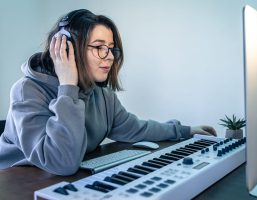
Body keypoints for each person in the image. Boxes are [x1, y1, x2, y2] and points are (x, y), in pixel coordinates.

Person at [0, 9, 216, 175]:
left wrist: (185, 131)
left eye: (111, 48)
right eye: (99, 47)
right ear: (68, 49)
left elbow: (137, 129)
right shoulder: (27, 91)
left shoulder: (101, 95)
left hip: (61, 183)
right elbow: (61, 161)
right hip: (17, 184)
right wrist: (68, 87)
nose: (110, 56)